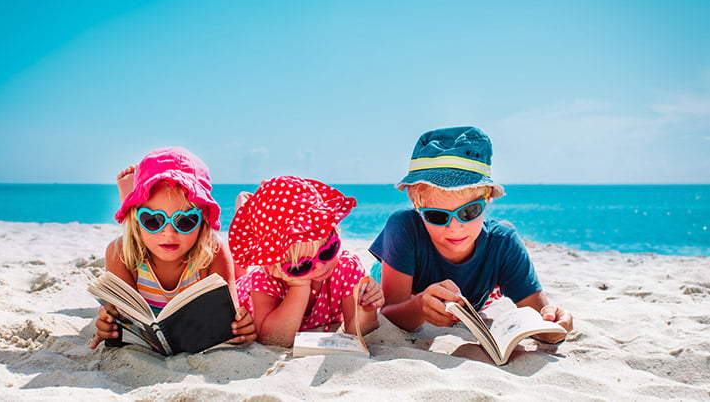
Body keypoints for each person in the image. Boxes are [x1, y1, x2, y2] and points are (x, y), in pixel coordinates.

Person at [369, 126, 573, 343]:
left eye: (469, 211)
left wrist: (556, 323)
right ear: (417, 206)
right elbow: (390, 311)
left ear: (487, 200)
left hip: (474, 291)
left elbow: (541, 315)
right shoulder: (404, 228)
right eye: (437, 216)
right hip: (393, 277)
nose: (455, 227)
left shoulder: (503, 243)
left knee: (504, 236)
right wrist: (420, 308)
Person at [90, 147, 256, 349]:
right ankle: (132, 201)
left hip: (206, 260)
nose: (169, 233)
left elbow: (231, 319)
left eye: (185, 220)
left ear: (203, 220)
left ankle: (244, 223)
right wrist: (107, 326)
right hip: (140, 260)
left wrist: (240, 327)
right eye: (152, 220)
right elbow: (119, 316)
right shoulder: (120, 253)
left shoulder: (214, 251)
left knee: (243, 278)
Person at [228, 176, 384, 347]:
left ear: (335, 233)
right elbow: (272, 340)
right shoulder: (265, 279)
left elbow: (356, 332)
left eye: (328, 251)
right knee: (237, 277)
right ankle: (246, 213)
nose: (320, 265)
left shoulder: (346, 267)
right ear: (276, 265)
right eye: (302, 265)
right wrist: (299, 286)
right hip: (243, 294)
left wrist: (366, 309)